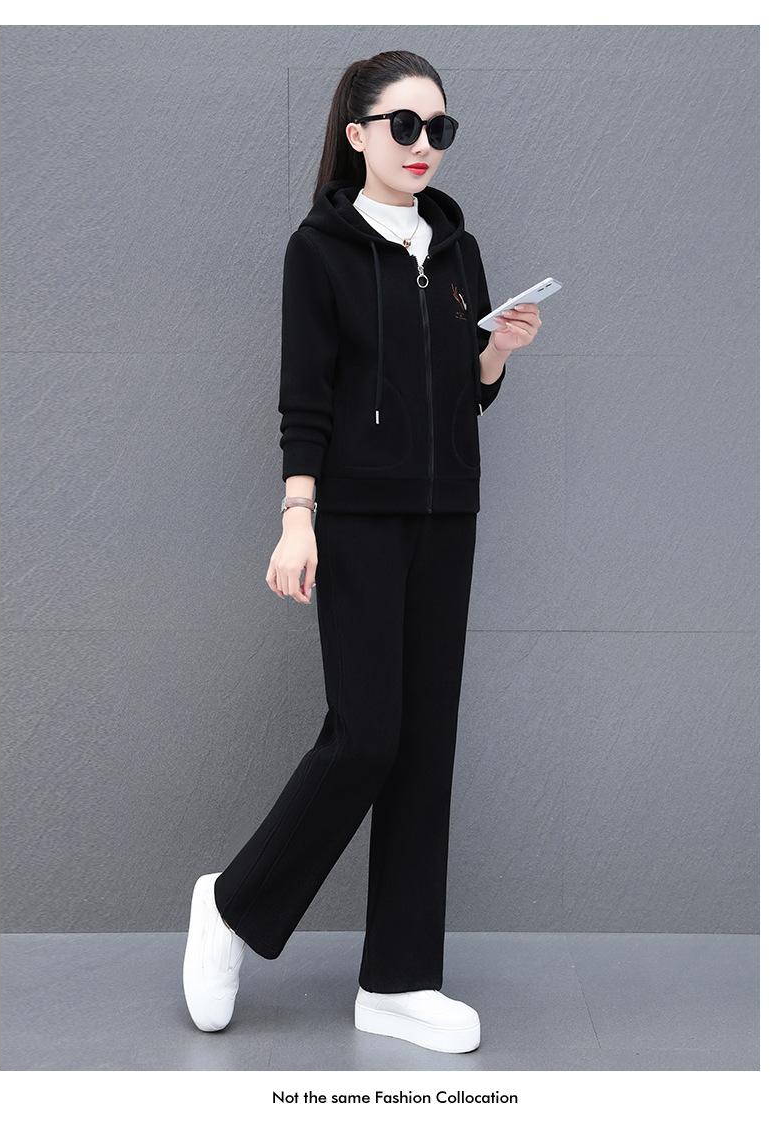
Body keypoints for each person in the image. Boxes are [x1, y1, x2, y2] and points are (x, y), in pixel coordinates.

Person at [182, 49, 542, 1054]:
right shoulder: (319, 250)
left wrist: (496, 354)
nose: (424, 145)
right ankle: (232, 904)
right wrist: (297, 515)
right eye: (404, 126)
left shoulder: (458, 246)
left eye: (440, 129)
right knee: (367, 734)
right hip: (354, 518)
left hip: (448, 514)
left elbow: (463, 392)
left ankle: (398, 980)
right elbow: (305, 397)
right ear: (357, 134)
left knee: (426, 744)